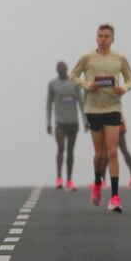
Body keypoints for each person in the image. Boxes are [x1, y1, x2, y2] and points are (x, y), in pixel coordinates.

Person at [69, 23, 131, 212]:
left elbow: (130, 79)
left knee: (112, 152)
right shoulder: (87, 58)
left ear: (113, 39)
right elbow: (73, 76)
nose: (103, 39)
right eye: (100, 36)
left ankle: (114, 197)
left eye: (107, 36)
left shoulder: (119, 59)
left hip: (113, 108)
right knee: (100, 154)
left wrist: (123, 88)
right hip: (93, 109)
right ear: (96, 38)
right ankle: (97, 182)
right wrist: (87, 85)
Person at [46, 61, 87, 191]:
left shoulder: (74, 83)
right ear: (56, 70)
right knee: (61, 148)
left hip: (73, 122)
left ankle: (69, 179)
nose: (61, 70)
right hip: (59, 122)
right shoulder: (52, 84)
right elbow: (48, 104)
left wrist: (85, 121)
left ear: (67, 69)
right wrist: (48, 123)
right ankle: (59, 178)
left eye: (63, 68)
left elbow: (81, 102)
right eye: (59, 68)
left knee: (70, 151)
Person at [102, 117, 131, 189]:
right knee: (123, 150)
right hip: (116, 121)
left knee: (108, 152)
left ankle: (102, 180)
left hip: (111, 122)